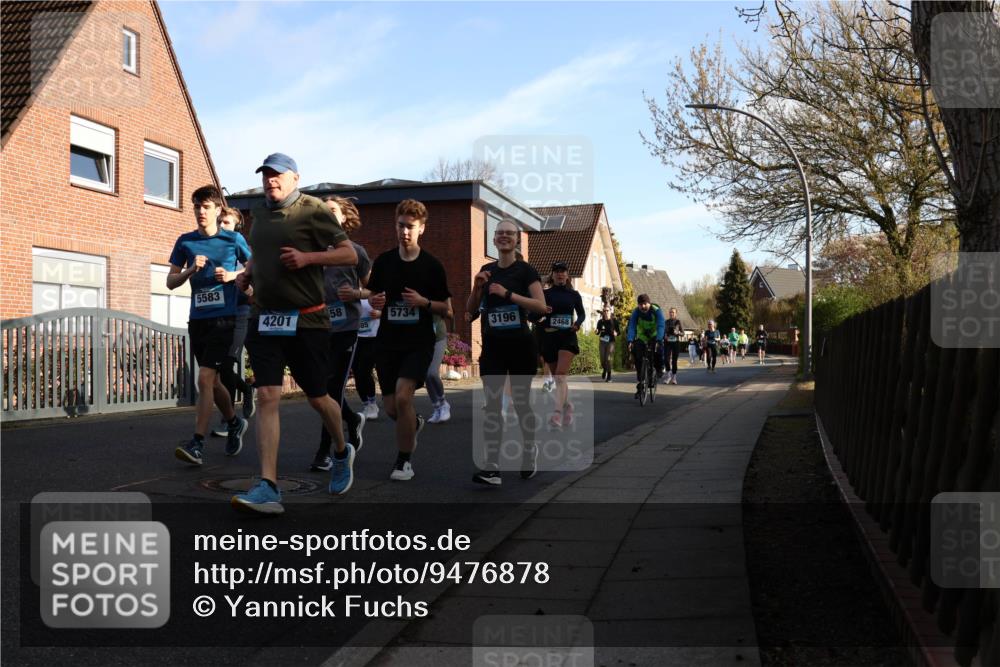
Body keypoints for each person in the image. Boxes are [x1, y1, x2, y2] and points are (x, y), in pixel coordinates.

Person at [232, 153, 358, 514]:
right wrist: (249, 273)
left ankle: (340, 450)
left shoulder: (312, 210)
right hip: (265, 318)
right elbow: (259, 252)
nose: (271, 181)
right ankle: (268, 485)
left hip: (307, 321)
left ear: (295, 178)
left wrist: (308, 259)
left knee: (318, 397)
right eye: (266, 176)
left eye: (277, 175)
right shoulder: (258, 213)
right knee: (268, 395)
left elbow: (348, 254)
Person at [368, 199, 453, 481]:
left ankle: (404, 461)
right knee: (392, 407)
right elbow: (373, 297)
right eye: (401, 226)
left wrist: (423, 302)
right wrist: (375, 300)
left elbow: (447, 309)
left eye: (411, 227)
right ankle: (413, 422)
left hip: (418, 343)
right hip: (387, 343)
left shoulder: (431, 266)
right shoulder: (383, 262)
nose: (405, 232)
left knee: (404, 397)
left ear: (422, 229)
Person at [171, 185, 251, 466]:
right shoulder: (185, 242)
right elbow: (170, 281)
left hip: (225, 319)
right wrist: (190, 270)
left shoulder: (234, 239)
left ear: (219, 210)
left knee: (204, 379)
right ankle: (234, 422)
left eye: (206, 207)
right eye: (197, 207)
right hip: (198, 320)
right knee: (214, 382)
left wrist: (232, 274)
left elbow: (255, 267)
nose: (200, 212)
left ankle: (197, 443)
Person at [468, 219, 549, 485]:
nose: (504, 237)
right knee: (492, 406)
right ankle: (492, 466)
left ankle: (529, 450)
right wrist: (477, 287)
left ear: (517, 240)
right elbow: (470, 311)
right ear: (494, 240)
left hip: (520, 346)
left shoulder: (526, 271)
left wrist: (508, 294)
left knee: (521, 403)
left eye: (509, 234)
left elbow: (539, 306)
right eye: (499, 233)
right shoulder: (485, 270)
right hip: (493, 346)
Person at [309, 196, 371, 472]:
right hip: (318, 327)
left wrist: (356, 293)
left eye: (332, 211)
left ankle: (326, 451)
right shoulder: (314, 251)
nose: (327, 214)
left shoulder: (356, 251)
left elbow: (375, 289)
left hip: (346, 327)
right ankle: (352, 419)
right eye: (323, 211)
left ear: (344, 217)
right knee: (319, 389)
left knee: (332, 389)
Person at [210, 208, 255, 437]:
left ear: (237, 226)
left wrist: (230, 275)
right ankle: (245, 388)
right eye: (219, 221)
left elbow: (252, 270)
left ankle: (227, 421)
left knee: (227, 363)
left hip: (241, 311)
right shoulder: (216, 248)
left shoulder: (241, 246)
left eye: (226, 222)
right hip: (219, 312)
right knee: (218, 368)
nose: (221, 225)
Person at [540, 262, 585, 428]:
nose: (560, 274)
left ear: (567, 275)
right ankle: (568, 406)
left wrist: (577, 324)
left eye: (563, 271)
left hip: (567, 337)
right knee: (559, 379)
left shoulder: (574, 295)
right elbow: (532, 315)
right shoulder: (545, 294)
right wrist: (542, 313)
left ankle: (557, 414)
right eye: (557, 272)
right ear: (552, 275)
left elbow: (581, 314)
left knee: (560, 375)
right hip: (550, 337)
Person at [626, 294, 665, 399]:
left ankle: (659, 368)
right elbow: (632, 327)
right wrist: (630, 340)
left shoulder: (656, 311)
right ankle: (641, 382)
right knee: (637, 354)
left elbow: (661, 325)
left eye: (645, 304)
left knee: (657, 350)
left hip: (654, 335)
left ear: (649, 303)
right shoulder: (636, 312)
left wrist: (658, 339)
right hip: (642, 336)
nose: (643, 306)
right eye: (640, 304)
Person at [352, 298, 381, 419]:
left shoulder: (378, 291)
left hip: (372, 338)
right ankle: (366, 405)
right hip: (355, 338)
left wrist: (380, 314)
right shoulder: (350, 290)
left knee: (364, 371)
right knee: (357, 373)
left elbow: (391, 307)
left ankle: (373, 403)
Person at [425, 314, 452, 424]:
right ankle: (437, 408)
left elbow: (449, 312)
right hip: (421, 340)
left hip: (438, 337)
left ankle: (443, 403)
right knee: (425, 375)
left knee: (431, 373)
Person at [595, 308, 619, 382]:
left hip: (611, 342)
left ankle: (609, 375)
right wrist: (596, 331)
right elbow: (598, 331)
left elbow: (618, 332)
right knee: (602, 359)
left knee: (608, 359)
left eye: (607, 311)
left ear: (610, 312)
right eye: (604, 311)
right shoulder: (600, 321)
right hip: (602, 342)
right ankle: (605, 369)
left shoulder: (614, 321)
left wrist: (616, 333)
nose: (606, 312)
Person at [663, 307, 684, 385]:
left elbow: (683, 333)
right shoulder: (666, 322)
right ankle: (668, 376)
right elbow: (663, 332)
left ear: (676, 314)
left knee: (674, 361)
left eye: (673, 312)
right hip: (667, 342)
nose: (671, 313)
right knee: (666, 359)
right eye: (670, 312)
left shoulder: (678, 322)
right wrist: (664, 336)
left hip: (675, 343)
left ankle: (674, 377)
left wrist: (677, 333)